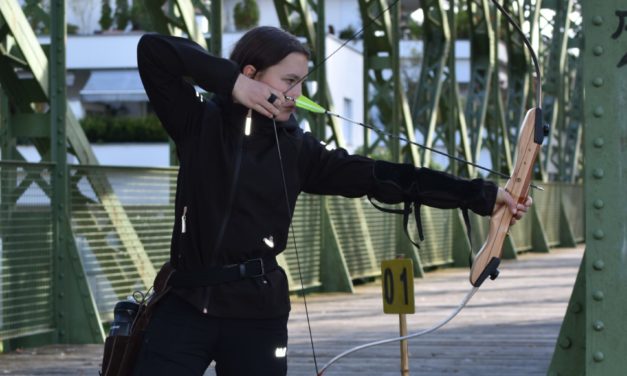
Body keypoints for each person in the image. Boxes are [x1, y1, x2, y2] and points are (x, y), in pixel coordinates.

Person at [135, 26, 531, 375]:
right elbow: (152, 49)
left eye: (303, 83)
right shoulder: (198, 121)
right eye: (289, 81)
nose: (297, 95)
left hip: (258, 312)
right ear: (252, 74)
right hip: (186, 301)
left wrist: (482, 196)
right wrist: (233, 84)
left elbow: (387, 178)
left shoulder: (301, 149)